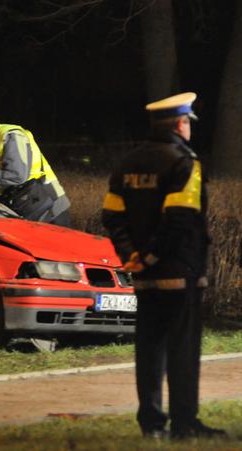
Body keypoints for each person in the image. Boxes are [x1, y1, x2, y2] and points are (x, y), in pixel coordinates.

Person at [102, 92, 225, 440]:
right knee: (183, 351)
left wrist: (132, 256)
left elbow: (112, 216)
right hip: (179, 271)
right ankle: (185, 425)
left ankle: (151, 424)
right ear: (179, 124)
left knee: (149, 350)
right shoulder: (184, 162)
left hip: (144, 277)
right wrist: (154, 256)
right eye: (187, 123)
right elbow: (180, 219)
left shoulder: (127, 163)